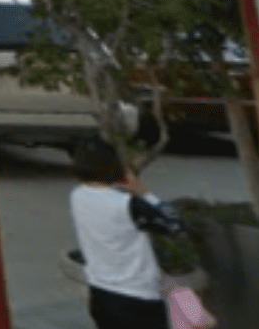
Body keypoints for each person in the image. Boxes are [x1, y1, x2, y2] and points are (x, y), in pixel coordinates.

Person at [70, 138, 186, 329]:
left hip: (100, 291)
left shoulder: (77, 195)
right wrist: (144, 192)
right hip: (136, 296)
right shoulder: (127, 205)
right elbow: (174, 225)